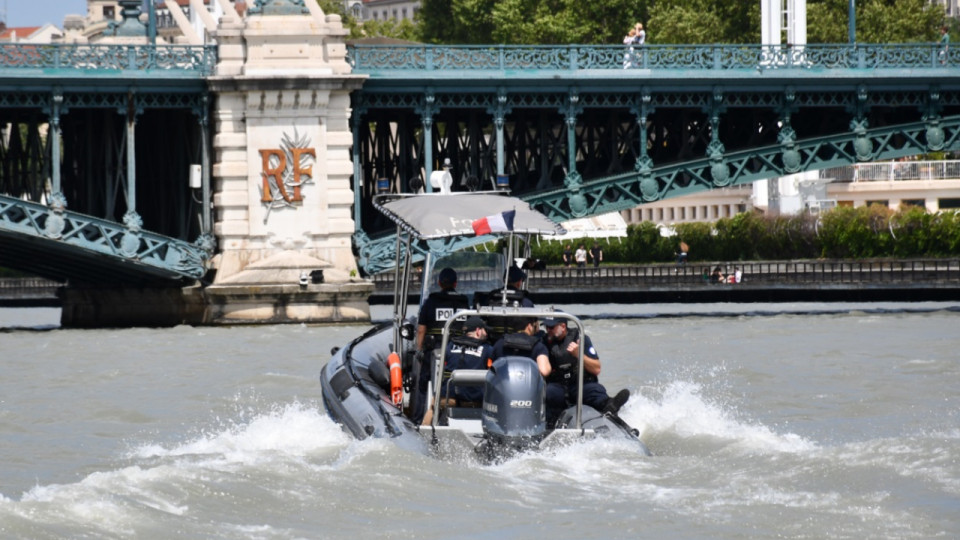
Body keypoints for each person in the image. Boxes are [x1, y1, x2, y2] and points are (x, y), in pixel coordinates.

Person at [540, 316, 628, 427]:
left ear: (563, 326)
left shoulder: (582, 339)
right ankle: (549, 425)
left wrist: (579, 354)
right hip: (558, 386)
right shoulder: (543, 343)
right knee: (548, 393)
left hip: (579, 384)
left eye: (551, 327)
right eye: (546, 327)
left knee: (595, 390)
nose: (548, 330)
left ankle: (609, 407)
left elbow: (596, 369)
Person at [414, 267, 469, 423]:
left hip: (434, 349)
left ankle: (419, 419)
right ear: (455, 283)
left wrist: (419, 350)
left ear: (439, 283)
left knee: (424, 384)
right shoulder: (464, 303)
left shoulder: (430, 302)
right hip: (458, 350)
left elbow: (421, 329)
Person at [421, 316, 493, 425]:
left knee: (433, 407)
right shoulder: (487, 349)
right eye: (484, 330)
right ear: (478, 331)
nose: (486, 334)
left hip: (448, 397)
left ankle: (424, 430)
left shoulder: (451, 344)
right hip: (472, 400)